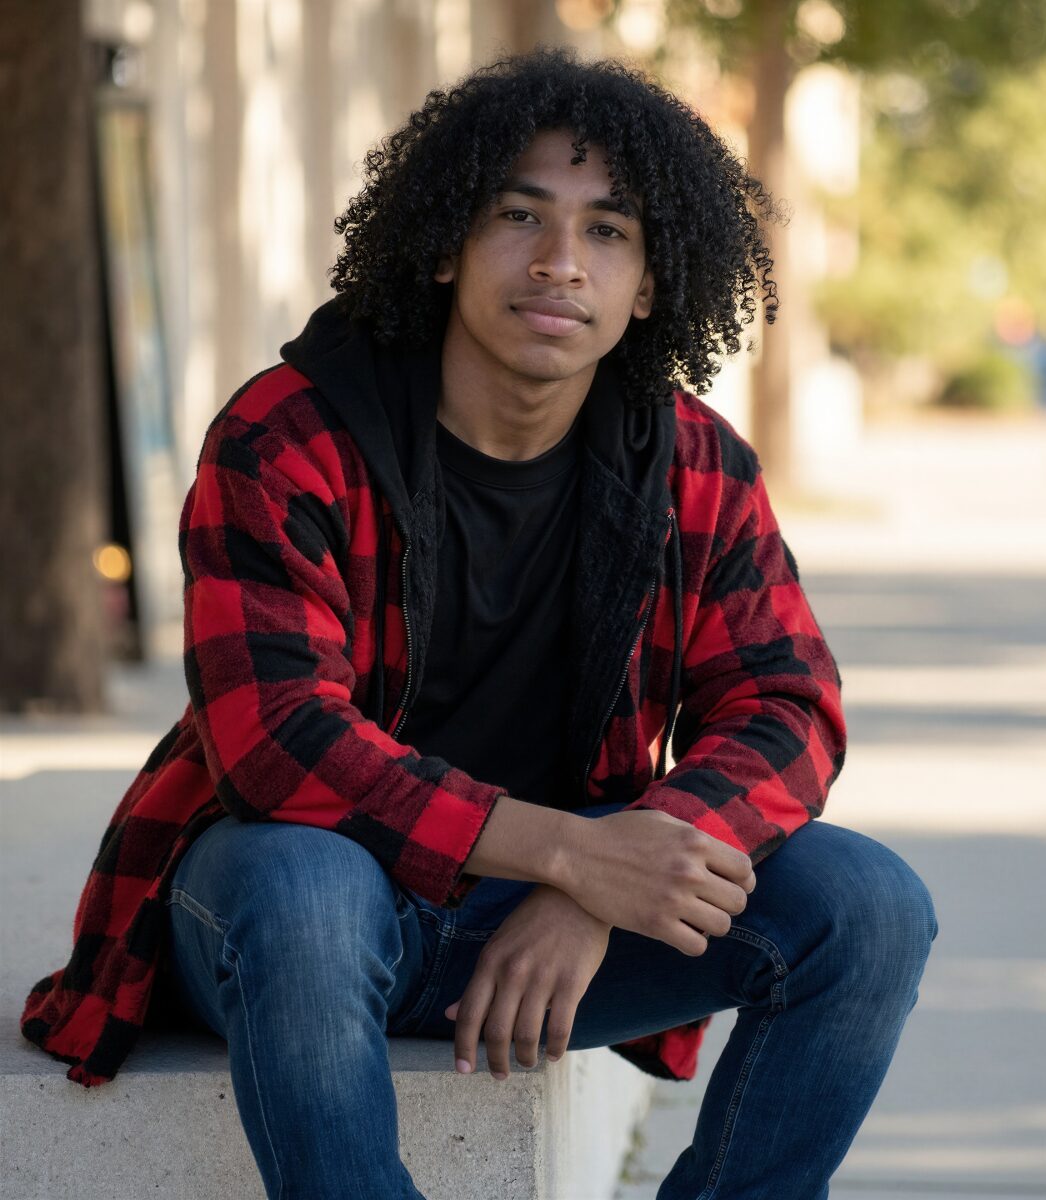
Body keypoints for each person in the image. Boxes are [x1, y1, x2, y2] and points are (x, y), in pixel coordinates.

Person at [21, 46, 937, 1200]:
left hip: (544, 912)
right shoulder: (290, 434)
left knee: (870, 906)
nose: (561, 264)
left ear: (650, 284)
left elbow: (786, 709)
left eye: (609, 232)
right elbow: (276, 739)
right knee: (306, 889)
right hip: (308, 916)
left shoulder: (692, 464)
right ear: (449, 238)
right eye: (520, 216)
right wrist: (571, 850)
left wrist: (595, 884)